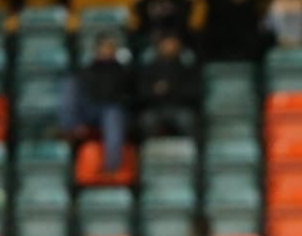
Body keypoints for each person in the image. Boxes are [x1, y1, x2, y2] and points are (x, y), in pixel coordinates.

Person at [59, 32, 132, 173]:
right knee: (70, 84)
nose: (107, 51)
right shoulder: (87, 70)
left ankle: (111, 167)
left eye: (110, 48)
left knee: (113, 115)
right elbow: (80, 96)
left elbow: (129, 96)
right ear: (97, 50)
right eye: (104, 48)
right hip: (89, 109)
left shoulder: (122, 71)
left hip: (112, 110)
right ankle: (71, 127)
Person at [135, 32, 201, 138]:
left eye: (174, 44)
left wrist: (172, 89)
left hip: (179, 107)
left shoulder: (186, 66)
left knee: (188, 120)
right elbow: (141, 91)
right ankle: (150, 151)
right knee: (147, 121)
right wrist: (155, 91)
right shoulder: (150, 66)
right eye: (168, 44)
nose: (171, 47)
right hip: (155, 108)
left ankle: (191, 152)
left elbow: (194, 91)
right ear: (160, 46)